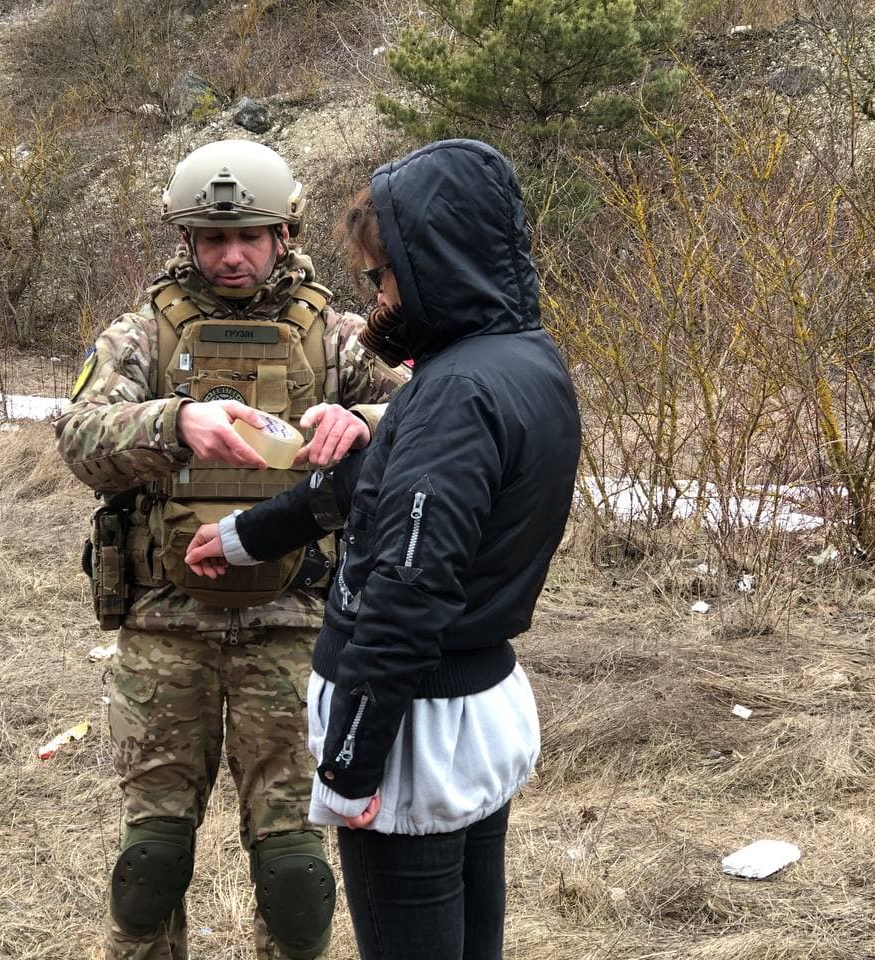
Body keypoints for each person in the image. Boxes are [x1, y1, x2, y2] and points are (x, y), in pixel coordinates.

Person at [184, 138, 581, 960]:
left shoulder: (455, 395)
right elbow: (373, 479)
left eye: (383, 277)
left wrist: (352, 766)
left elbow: (408, 587)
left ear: (434, 265)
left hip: (412, 734)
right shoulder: (522, 360)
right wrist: (243, 536)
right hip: (476, 708)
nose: (376, 300)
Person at [54, 139, 409, 960]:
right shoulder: (144, 332)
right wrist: (172, 422)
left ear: (285, 232)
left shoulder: (338, 336)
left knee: (295, 882)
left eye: (250, 236)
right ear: (187, 242)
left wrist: (366, 422)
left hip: (295, 629)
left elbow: (438, 417)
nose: (233, 255)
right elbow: (77, 438)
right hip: (166, 627)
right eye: (214, 240)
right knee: (149, 866)